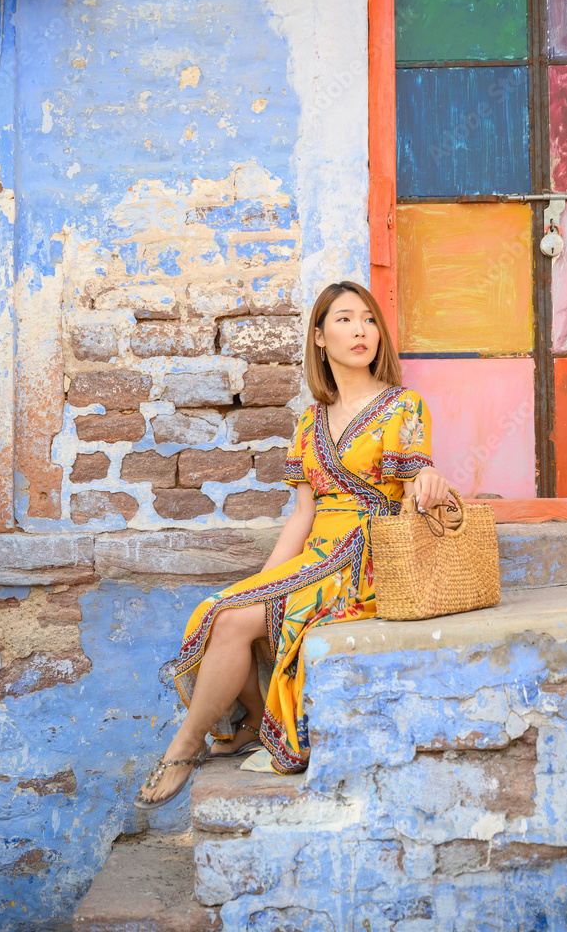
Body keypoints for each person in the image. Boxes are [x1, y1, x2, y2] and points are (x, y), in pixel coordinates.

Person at [134, 280, 449, 808]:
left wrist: (431, 481)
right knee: (221, 611)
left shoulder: (403, 407)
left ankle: (185, 747)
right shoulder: (311, 420)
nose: (361, 330)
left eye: (369, 320)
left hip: (367, 558)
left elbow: (418, 478)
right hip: (315, 558)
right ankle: (253, 721)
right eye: (346, 319)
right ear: (321, 338)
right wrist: (263, 580)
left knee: (234, 619)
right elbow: (303, 514)